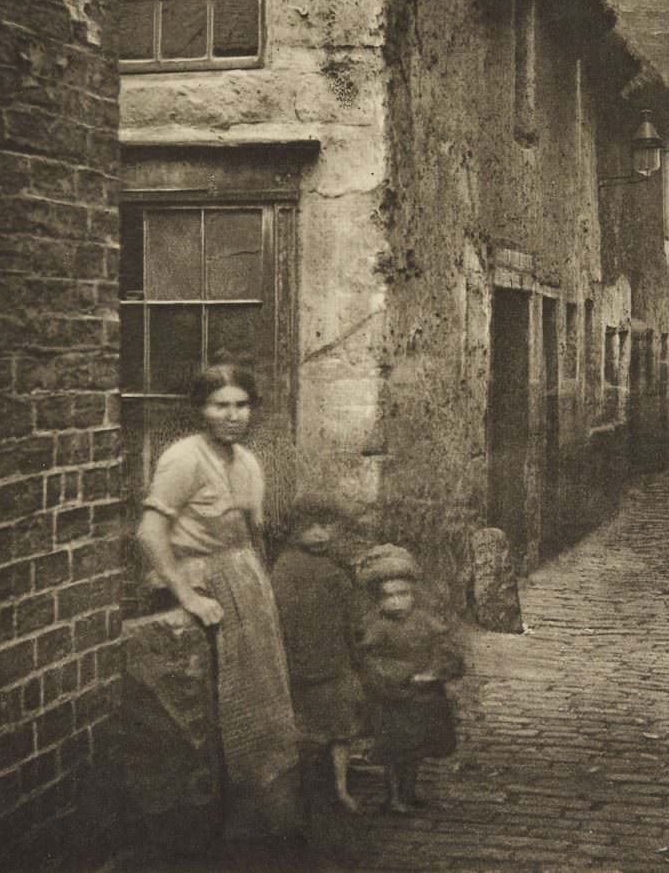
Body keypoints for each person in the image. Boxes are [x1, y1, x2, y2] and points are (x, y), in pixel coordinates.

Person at [136, 357, 304, 853]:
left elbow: (252, 535)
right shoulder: (183, 458)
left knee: (263, 698)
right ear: (200, 410)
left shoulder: (249, 462)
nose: (232, 415)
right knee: (210, 705)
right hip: (197, 578)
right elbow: (149, 532)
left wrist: (262, 589)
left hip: (245, 580)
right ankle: (203, 826)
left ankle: (262, 818)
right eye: (219, 406)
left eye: (241, 405)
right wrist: (187, 594)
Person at [272, 498, 373, 819]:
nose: (320, 534)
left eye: (326, 527)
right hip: (302, 659)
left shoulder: (332, 567)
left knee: (337, 726)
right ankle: (319, 788)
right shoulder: (286, 567)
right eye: (310, 528)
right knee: (315, 727)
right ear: (293, 532)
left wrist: (356, 651)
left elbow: (353, 618)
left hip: (333, 658)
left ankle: (339, 787)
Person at [356, 544, 464, 815]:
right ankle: (393, 796)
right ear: (378, 599)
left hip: (423, 697)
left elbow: (444, 644)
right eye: (388, 596)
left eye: (402, 594)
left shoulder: (423, 619)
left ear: (413, 594)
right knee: (395, 749)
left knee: (416, 748)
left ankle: (409, 792)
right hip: (396, 698)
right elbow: (370, 660)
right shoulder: (377, 626)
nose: (395, 602)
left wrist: (436, 670)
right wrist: (398, 676)